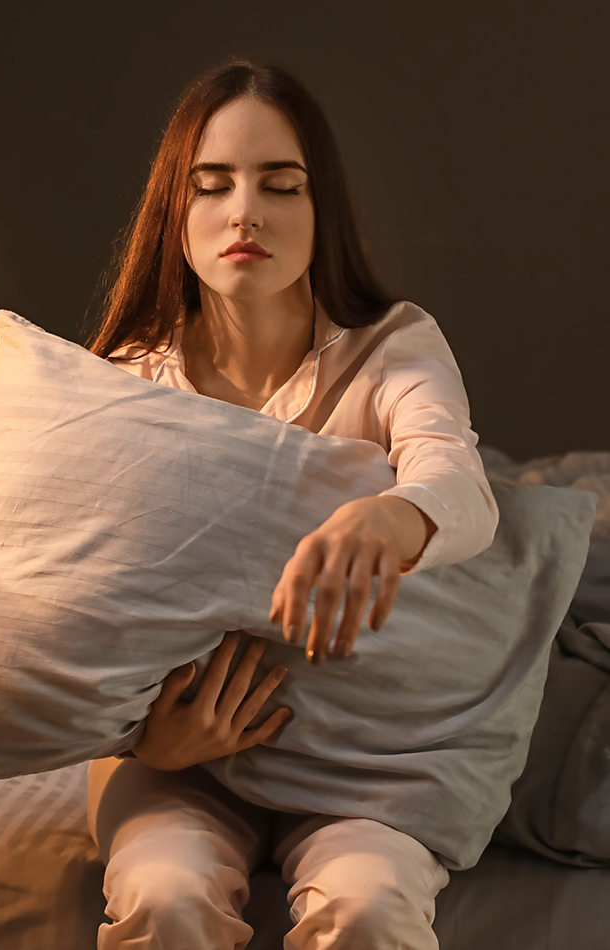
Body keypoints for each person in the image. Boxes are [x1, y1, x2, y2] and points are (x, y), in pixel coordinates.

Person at [85, 57, 499, 950]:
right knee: (165, 896)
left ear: (322, 211)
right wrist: (146, 743)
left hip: (363, 764)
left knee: (369, 907)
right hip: (178, 763)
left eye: (281, 185)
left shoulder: (393, 347)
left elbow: (457, 481)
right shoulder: (130, 381)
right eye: (212, 186)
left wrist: (391, 515)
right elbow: (76, 603)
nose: (246, 213)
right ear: (176, 213)